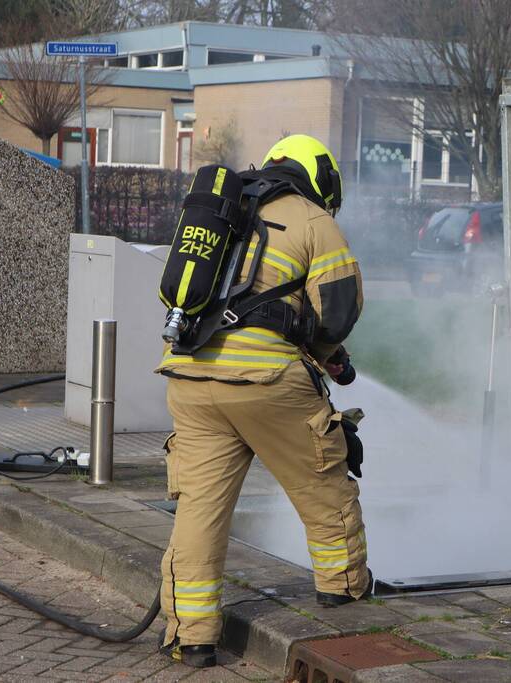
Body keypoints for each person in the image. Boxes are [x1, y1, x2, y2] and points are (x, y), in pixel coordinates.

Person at [155, 134, 369, 668]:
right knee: (324, 480)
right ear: (320, 178)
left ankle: (191, 634)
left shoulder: (222, 210)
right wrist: (326, 356)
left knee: (200, 509)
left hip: (190, 378)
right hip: (267, 383)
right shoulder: (313, 220)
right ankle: (343, 588)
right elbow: (338, 312)